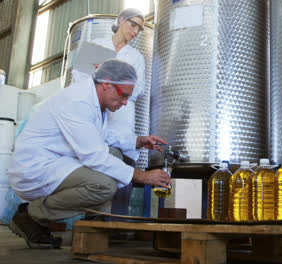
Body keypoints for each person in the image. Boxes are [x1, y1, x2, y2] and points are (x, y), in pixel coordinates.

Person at [8, 59, 171, 249]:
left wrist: (138, 140)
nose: (125, 102)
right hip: (35, 167)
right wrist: (143, 176)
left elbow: (101, 135)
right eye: (123, 95)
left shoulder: (93, 100)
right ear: (106, 84)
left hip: (58, 159)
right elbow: (94, 156)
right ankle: (30, 214)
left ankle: (94, 218)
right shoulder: (77, 102)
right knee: (103, 186)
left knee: (114, 154)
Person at [73, 8, 147, 216]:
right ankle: (93, 218)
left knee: (122, 159)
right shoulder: (98, 45)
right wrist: (109, 83)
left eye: (139, 29)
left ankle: (117, 221)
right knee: (96, 160)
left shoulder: (136, 56)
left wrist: (111, 83)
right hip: (95, 108)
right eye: (133, 24)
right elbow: (79, 77)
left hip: (122, 114)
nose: (135, 31)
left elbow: (138, 89)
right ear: (121, 21)